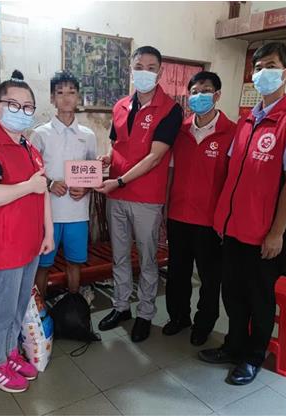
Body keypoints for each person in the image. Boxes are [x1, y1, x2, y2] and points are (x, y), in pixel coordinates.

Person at [199, 42, 286, 385]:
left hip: (264, 232)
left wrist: (277, 233)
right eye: (259, 67)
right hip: (233, 226)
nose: (263, 73)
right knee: (232, 293)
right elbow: (234, 172)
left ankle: (253, 357)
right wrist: (222, 217)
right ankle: (233, 346)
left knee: (259, 299)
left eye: (271, 66)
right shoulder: (248, 119)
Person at [0, 70, 54, 393]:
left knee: (17, 307)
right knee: (0, 311)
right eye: (13, 105)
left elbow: (42, 192)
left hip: (30, 242)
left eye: (28, 107)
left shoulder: (29, 147)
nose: (22, 111)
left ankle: (10, 354)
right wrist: (27, 185)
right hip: (2, 246)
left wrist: (48, 233)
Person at [96, 46, 183, 343]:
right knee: (119, 255)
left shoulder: (170, 109)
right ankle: (121, 307)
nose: (144, 72)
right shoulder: (120, 105)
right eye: (139, 66)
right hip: (116, 196)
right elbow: (115, 144)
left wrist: (119, 181)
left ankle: (145, 313)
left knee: (147, 260)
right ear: (130, 70)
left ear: (160, 72)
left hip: (145, 198)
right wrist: (107, 159)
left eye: (151, 67)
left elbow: (155, 157)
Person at [164, 71, 236, 345]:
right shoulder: (180, 131)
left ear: (217, 95)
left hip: (210, 220)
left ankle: (204, 323)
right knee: (177, 273)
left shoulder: (231, 132)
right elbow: (170, 172)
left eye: (205, 91)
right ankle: (178, 316)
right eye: (194, 92)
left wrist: (225, 219)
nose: (199, 96)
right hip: (178, 215)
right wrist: (165, 209)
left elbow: (233, 180)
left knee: (210, 277)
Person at [31, 71, 97, 296]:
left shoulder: (88, 135)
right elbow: (30, 172)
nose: (66, 97)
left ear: (78, 96)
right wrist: (50, 183)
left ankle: (73, 306)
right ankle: (39, 311)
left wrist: (86, 187)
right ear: (52, 98)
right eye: (60, 93)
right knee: (43, 265)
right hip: (47, 213)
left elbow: (92, 171)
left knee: (74, 263)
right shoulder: (40, 134)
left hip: (77, 213)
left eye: (71, 92)